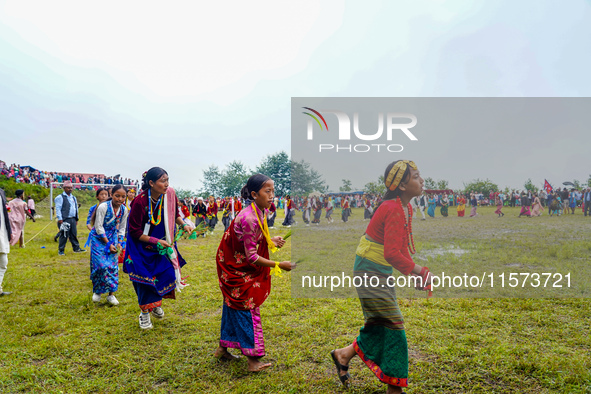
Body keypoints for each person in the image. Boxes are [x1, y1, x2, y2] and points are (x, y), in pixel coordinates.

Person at [330, 160, 432, 394]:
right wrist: (420, 271)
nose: (422, 180)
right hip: (369, 270)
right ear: (403, 186)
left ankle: (343, 354)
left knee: (378, 322)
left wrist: (413, 273)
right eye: (416, 176)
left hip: (378, 269)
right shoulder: (393, 208)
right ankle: (394, 391)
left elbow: (400, 245)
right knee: (394, 327)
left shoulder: (405, 207)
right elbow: (392, 253)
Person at [215, 174, 294, 371]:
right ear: (254, 194)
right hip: (235, 268)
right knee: (245, 304)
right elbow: (251, 257)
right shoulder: (250, 217)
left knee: (232, 303)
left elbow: (254, 238)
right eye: (268, 192)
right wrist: (278, 264)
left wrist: (270, 240)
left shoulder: (260, 211)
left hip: (237, 263)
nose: (272, 196)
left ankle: (222, 349)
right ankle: (252, 360)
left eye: (273, 192)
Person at [123, 167, 195, 329]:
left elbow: (175, 213)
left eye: (168, 180)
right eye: (163, 181)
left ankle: (155, 304)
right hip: (141, 246)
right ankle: (145, 314)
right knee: (144, 280)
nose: (167, 184)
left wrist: (183, 225)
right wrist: (155, 241)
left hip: (162, 244)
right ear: (151, 183)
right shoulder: (139, 201)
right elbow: (134, 231)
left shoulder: (169, 195)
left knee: (166, 273)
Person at [88, 185, 129, 306]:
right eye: (117, 196)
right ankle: (98, 291)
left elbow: (122, 228)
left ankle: (111, 294)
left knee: (112, 267)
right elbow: (98, 227)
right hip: (99, 238)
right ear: (111, 195)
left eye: (123, 197)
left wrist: (120, 242)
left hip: (113, 238)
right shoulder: (103, 207)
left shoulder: (124, 210)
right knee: (100, 266)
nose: (120, 199)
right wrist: (108, 244)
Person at [55, 181, 85, 256]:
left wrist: (76, 218)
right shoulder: (60, 197)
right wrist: (60, 218)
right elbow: (58, 208)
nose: (70, 189)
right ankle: (61, 250)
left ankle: (76, 248)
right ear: (64, 188)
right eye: (68, 188)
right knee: (64, 235)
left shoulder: (73, 197)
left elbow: (75, 208)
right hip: (65, 218)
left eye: (71, 188)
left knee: (73, 234)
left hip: (73, 218)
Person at [0, 188, 12, 296]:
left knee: (3, 262)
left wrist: (9, 231)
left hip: (2, 232)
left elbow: (5, 214)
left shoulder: (1, 192)